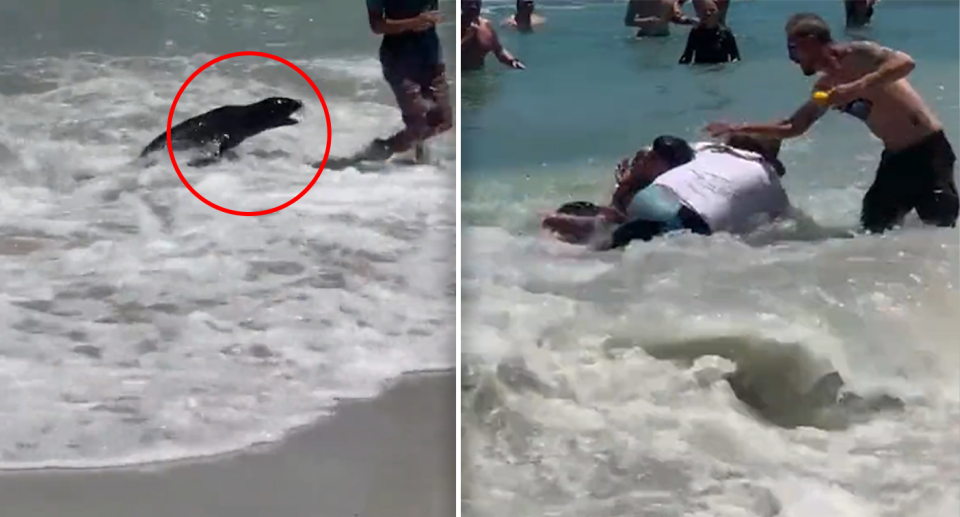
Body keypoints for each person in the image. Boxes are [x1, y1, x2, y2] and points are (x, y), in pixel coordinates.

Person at [706, 12, 958, 234]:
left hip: (929, 150)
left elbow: (906, 63)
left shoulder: (860, 54)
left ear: (812, 41)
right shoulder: (825, 87)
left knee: (939, 227)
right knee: (874, 226)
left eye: (793, 47)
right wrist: (739, 128)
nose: (791, 56)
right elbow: (794, 127)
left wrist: (856, 87)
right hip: (894, 158)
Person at [542, 135, 790, 248]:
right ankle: (588, 228)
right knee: (608, 249)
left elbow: (649, 152)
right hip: (690, 219)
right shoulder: (771, 183)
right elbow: (782, 223)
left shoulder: (710, 149)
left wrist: (628, 181)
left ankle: (572, 223)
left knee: (615, 234)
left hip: (656, 195)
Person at [345, 0, 452, 166]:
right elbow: (376, 25)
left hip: (432, 56)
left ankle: (420, 161)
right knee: (421, 124)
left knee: (443, 121)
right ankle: (382, 148)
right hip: (398, 59)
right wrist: (413, 23)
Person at [462, 0, 526, 71]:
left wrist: (512, 61)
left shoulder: (486, 28)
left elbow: (499, 51)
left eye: (476, 3)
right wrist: (467, 37)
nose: (473, 7)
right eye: (469, 3)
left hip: (479, 73)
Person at [679, 0, 740, 65]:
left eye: (712, 10)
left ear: (718, 13)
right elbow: (687, 57)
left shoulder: (725, 33)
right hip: (701, 70)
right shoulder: (695, 33)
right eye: (705, 12)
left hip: (720, 70)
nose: (709, 14)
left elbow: (735, 57)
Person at [624, 0, 694, 38]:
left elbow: (676, 17)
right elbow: (628, 21)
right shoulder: (637, 2)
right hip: (644, 37)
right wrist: (648, 21)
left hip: (664, 37)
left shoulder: (671, 2)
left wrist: (693, 21)